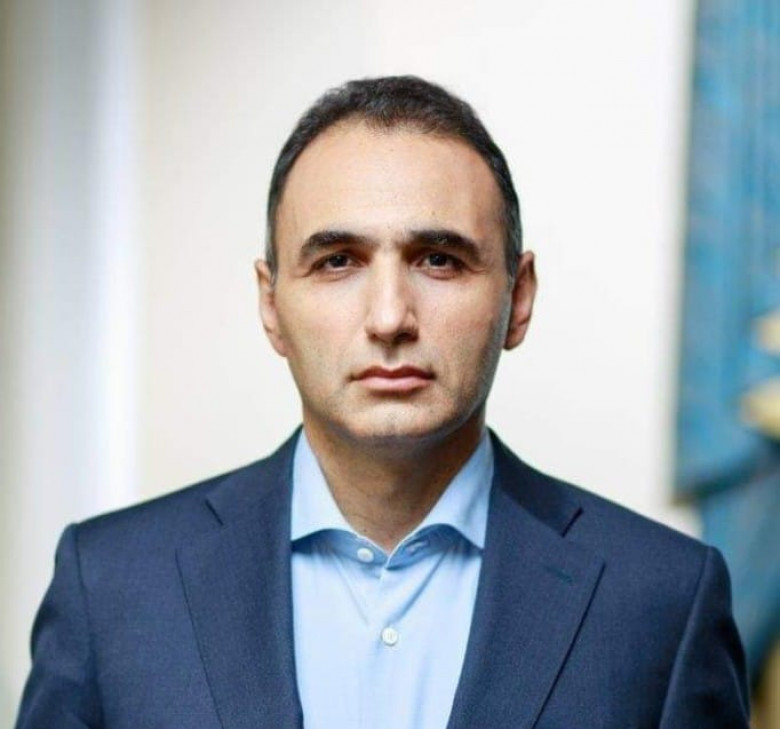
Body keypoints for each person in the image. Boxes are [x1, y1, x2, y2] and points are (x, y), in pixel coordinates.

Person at [15, 76, 749, 729]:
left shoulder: (663, 601)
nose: (390, 317)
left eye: (440, 260)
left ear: (518, 299)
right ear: (271, 304)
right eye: (338, 261)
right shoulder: (110, 587)